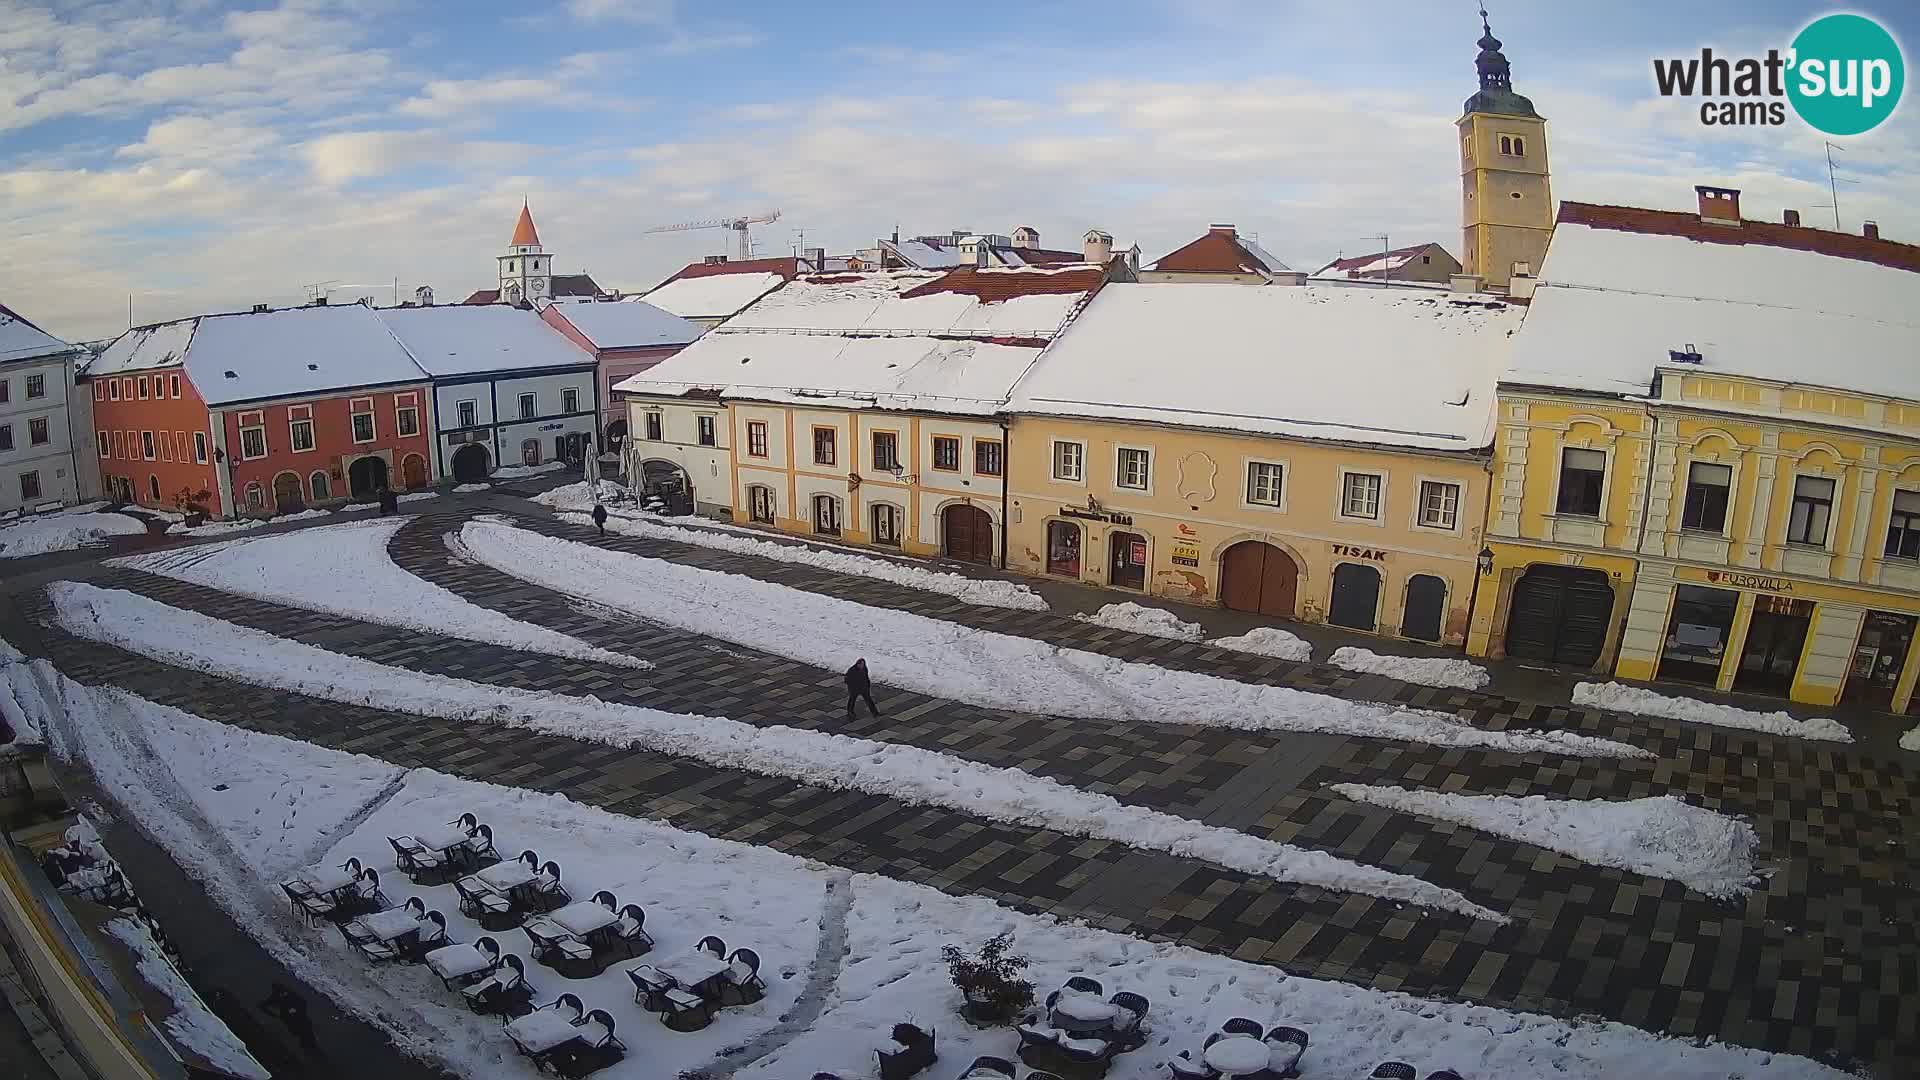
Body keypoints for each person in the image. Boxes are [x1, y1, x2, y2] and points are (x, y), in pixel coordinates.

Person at [260, 982, 319, 1054]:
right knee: (300, 1033)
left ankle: (310, 1046)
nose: (283, 994)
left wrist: (296, 1009)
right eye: (281, 993)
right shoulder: (275, 997)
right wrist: (273, 1015)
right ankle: (307, 1047)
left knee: (306, 1031)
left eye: (283, 992)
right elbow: (263, 1004)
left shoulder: (291, 994)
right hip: (290, 1020)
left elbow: (303, 1002)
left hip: (300, 1017)